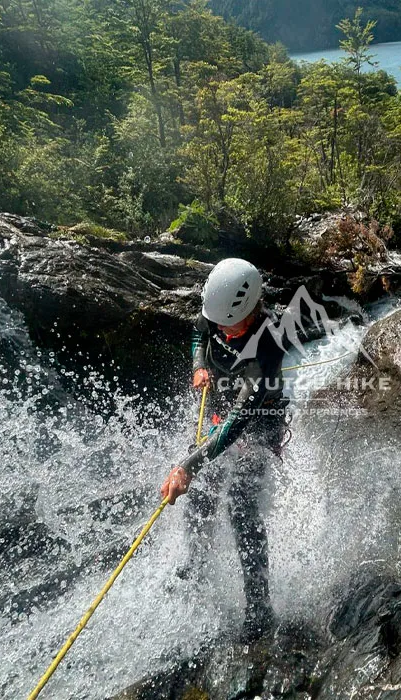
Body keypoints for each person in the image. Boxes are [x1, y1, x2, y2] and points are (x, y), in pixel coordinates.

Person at [161, 258, 288, 642]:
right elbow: (200, 331)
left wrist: (187, 465)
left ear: (249, 314)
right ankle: (196, 566)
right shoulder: (218, 312)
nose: (220, 328)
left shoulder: (268, 347)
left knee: (240, 507)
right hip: (224, 411)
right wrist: (199, 365)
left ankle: (259, 606)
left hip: (257, 423)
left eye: (227, 325)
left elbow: (240, 421)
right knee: (201, 495)